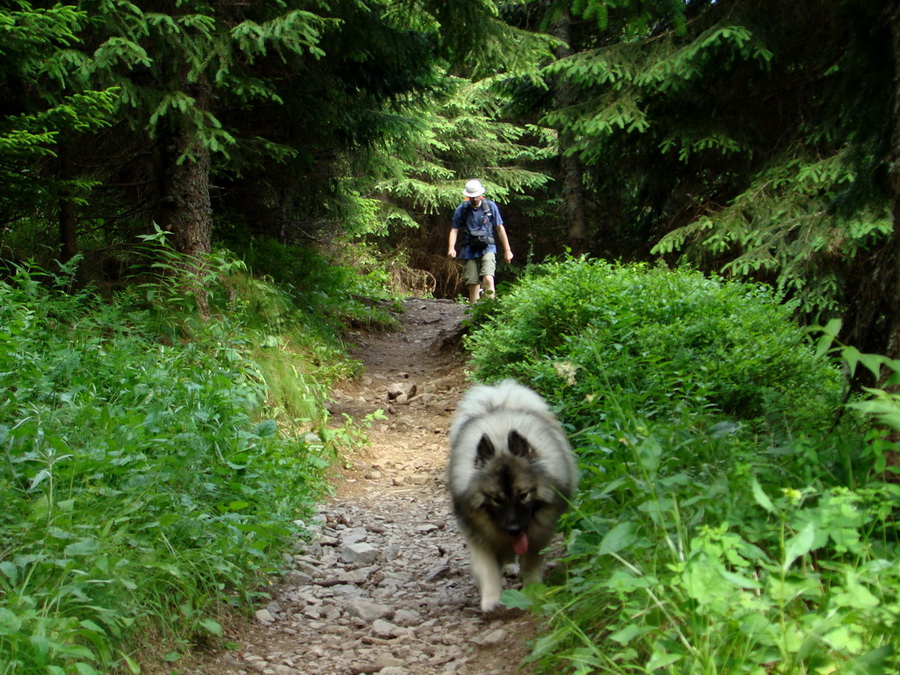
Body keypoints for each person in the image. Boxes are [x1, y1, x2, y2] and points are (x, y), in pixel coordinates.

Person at [448, 179, 514, 303]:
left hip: (487, 247)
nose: (474, 199)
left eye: (476, 195)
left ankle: (490, 309)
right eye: (471, 196)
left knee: (488, 279)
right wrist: (451, 248)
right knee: (473, 284)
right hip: (469, 248)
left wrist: (507, 250)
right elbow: (454, 229)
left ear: (481, 194)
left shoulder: (490, 206)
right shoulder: (461, 209)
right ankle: (474, 314)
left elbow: (500, 228)